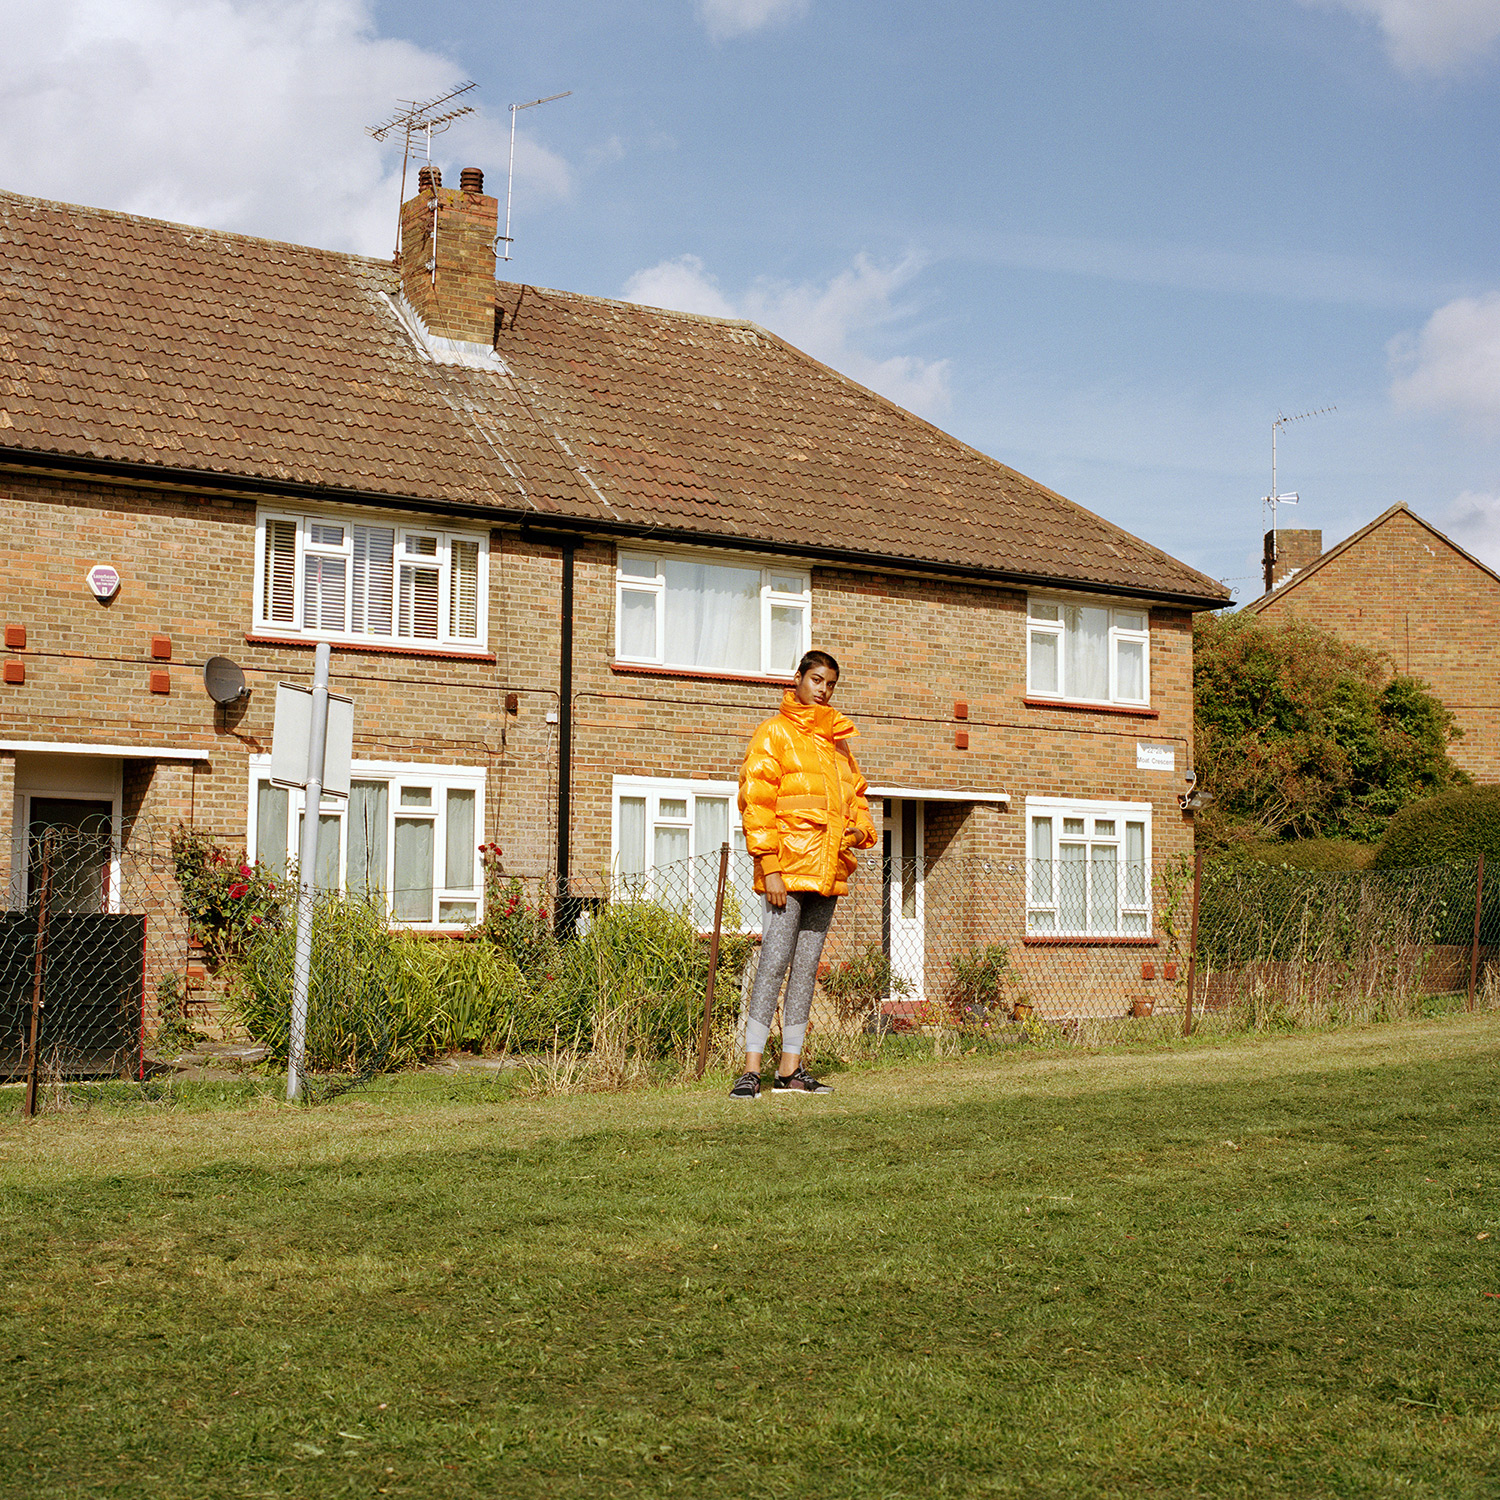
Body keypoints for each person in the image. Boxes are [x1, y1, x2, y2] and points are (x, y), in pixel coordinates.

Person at [730, 649, 877, 1098]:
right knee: (773, 964)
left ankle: (789, 1071)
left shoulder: (838, 745)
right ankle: (751, 1070)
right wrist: (769, 866)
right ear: (797, 679)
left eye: (830, 684)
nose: (823, 690)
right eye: (816, 680)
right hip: (787, 872)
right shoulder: (773, 734)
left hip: (827, 871)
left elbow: (858, 800)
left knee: (806, 968)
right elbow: (756, 802)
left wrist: (859, 832)